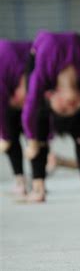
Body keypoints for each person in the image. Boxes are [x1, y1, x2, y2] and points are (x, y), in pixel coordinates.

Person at [22, 31, 80, 203]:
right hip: (37, 48)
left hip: (68, 42)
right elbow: (28, 110)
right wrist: (31, 141)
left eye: (68, 107)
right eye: (68, 108)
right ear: (50, 95)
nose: (71, 107)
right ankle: (39, 189)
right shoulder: (42, 77)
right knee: (39, 128)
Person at [0, 40, 32, 197]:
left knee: (30, 133)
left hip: (23, 88)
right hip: (16, 89)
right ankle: (22, 181)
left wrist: (4, 137)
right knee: (12, 134)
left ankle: (35, 181)